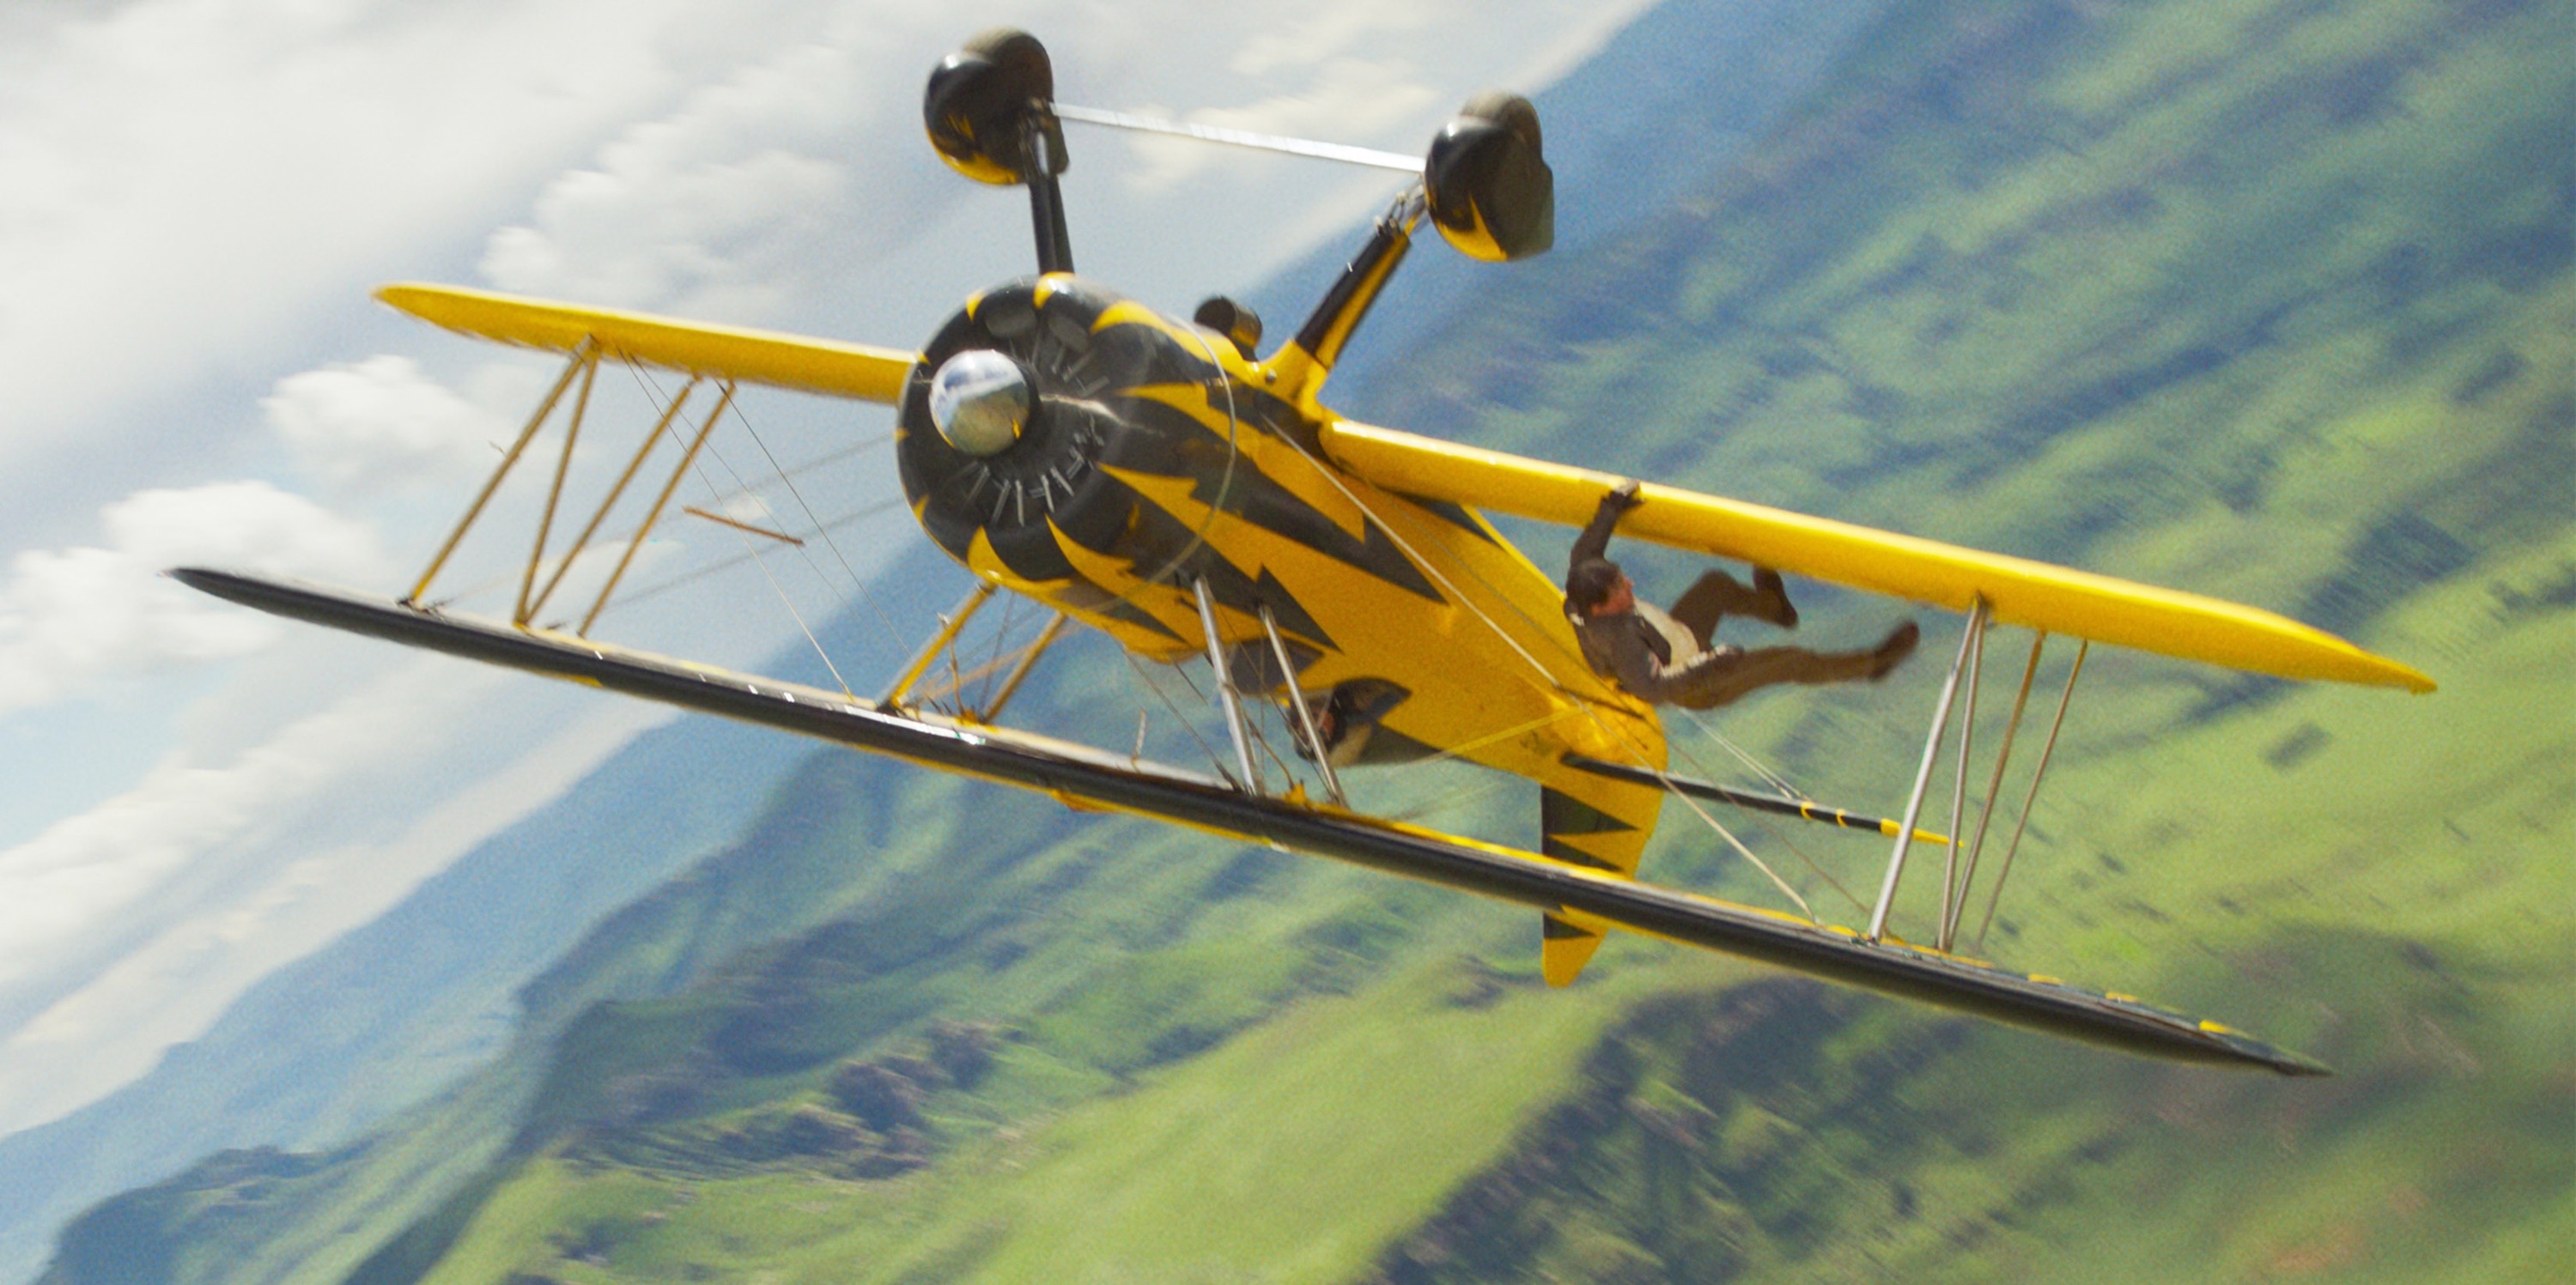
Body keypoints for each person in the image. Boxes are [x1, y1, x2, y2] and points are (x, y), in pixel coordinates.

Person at [1564, 480, 1918, 709]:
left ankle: (1776, 609)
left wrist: (1611, 507)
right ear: (1600, 610)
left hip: (1678, 637)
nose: (1630, 585)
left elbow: (1586, 552)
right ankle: (1874, 665)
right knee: (1789, 661)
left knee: (1715, 586)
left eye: (1623, 578)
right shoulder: (1622, 644)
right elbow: (1654, 689)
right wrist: (1711, 662)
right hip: (1701, 683)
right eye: (1620, 589)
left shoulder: (1583, 584)